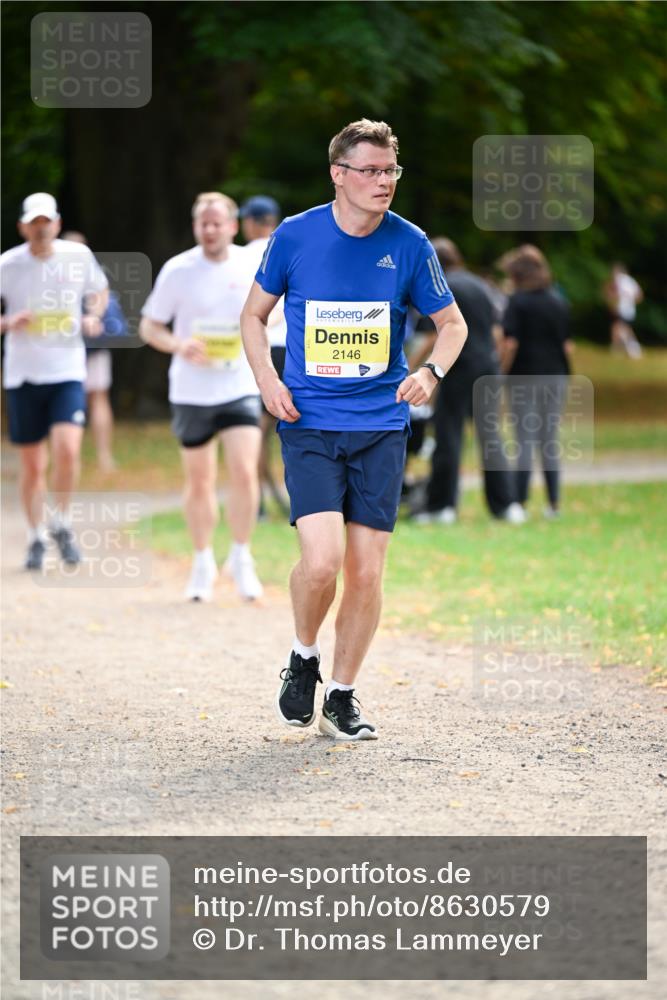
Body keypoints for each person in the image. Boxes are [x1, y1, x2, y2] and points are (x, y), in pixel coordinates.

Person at [241, 119, 467, 740]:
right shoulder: (295, 236)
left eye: (390, 170)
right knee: (321, 563)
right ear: (338, 175)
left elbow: (453, 325)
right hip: (309, 421)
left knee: (367, 573)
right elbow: (254, 317)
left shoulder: (411, 243)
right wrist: (268, 380)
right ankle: (302, 656)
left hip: (380, 427)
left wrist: (431, 372)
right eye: (369, 170)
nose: (383, 181)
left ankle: (341, 696)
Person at [140, 192, 263, 602]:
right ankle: (202, 559)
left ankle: (242, 556)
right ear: (196, 227)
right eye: (203, 224)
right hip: (192, 389)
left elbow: (275, 310)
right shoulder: (179, 270)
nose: (210, 230)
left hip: (239, 384)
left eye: (217, 223)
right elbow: (149, 327)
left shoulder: (251, 263)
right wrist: (179, 345)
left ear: (232, 225)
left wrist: (259, 327)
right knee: (200, 480)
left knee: (245, 471)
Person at [0, 193, 109, 569]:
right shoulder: (8, 264)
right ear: (23, 226)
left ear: (58, 224)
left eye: (47, 221)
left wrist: (93, 315)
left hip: (66, 369)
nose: (41, 228)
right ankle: (34, 536)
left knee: (67, 450)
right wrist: (7, 323)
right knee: (32, 465)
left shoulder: (77, 257)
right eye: (34, 222)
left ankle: (61, 521)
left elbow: (99, 291)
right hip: (23, 373)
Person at [412, 237, 525, 524]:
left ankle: (442, 507)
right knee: (491, 437)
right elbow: (498, 333)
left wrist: (413, 368)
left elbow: (433, 336)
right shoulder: (481, 285)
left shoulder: (442, 287)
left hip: (458, 367)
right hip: (486, 366)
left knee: (448, 435)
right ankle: (507, 506)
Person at [500, 245, 573, 519]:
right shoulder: (559, 301)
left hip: (524, 376)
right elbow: (567, 345)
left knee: (524, 439)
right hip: (556, 376)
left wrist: (500, 372)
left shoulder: (518, 301)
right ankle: (553, 504)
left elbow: (510, 342)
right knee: (549, 439)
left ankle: (518, 502)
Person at [238, 196, 289, 516]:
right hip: (291, 348)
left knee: (256, 428)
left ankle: (255, 501)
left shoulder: (241, 258)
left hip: (259, 348)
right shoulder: (290, 247)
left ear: (252, 223)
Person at [62, 230, 129, 473]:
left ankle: (77, 458)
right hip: (89, 348)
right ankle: (102, 458)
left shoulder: (58, 274)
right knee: (97, 398)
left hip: (73, 349)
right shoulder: (93, 275)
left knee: (72, 401)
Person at [603, 263, 643, 358]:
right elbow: (640, 296)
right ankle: (622, 349)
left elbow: (610, 291)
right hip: (630, 310)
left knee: (621, 329)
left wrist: (612, 301)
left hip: (621, 308)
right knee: (620, 328)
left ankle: (631, 349)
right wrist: (630, 300)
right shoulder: (631, 281)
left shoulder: (619, 280)